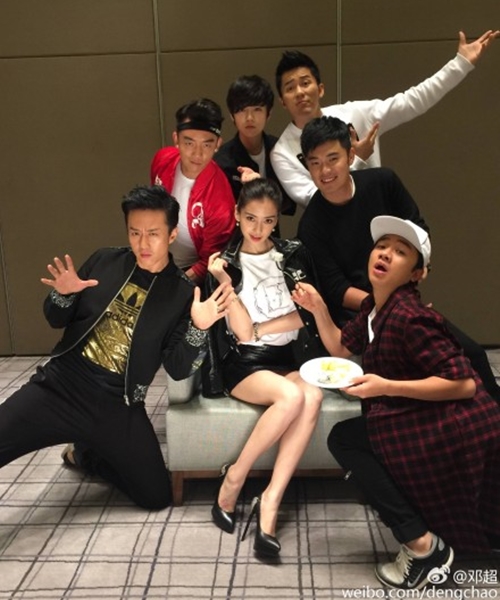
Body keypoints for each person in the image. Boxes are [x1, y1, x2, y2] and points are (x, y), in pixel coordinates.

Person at [292, 216, 500, 589]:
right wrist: (318, 306)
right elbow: (340, 347)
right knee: (350, 437)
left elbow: (464, 384)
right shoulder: (374, 307)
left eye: (401, 252)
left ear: (417, 274)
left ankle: (422, 548)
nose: (386, 254)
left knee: (348, 439)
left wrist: (385, 386)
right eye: (382, 246)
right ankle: (426, 538)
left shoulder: (411, 317)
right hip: (421, 414)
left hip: (455, 424)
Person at [0, 185, 232, 511]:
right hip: (60, 386)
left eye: (153, 233)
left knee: (156, 496)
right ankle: (87, 442)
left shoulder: (181, 294)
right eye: (135, 232)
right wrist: (64, 295)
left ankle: (86, 454)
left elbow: (179, 368)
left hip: (118, 405)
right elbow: (54, 318)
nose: (143, 243)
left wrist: (199, 328)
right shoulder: (104, 261)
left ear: (171, 235)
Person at [297, 115, 500, 401]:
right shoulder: (311, 224)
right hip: (360, 314)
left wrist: (419, 269)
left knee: (472, 353)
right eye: (315, 162)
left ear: (351, 155)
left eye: (333, 159)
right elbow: (336, 289)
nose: (325, 170)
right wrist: (386, 304)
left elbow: (418, 228)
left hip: (402, 301)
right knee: (410, 371)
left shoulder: (383, 182)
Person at [204, 178, 324, 558]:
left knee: (312, 395)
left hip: (285, 358)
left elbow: (306, 316)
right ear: (237, 215)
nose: (259, 229)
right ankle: (235, 477)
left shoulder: (293, 255)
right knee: (291, 396)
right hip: (244, 363)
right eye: (251, 218)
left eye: (269, 220)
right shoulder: (225, 264)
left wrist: (261, 328)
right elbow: (241, 333)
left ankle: (271, 498)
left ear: (276, 221)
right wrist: (225, 282)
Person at [271, 29, 499, 207]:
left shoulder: (355, 114)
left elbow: (412, 101)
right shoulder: (282, 152)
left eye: (305, 83)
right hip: (332, 233)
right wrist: (358, 159)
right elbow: (312, 199)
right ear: (282, 101)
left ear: (320, 89)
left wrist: (459, 65)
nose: (299, 92)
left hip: (379, 215)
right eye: (290, 88)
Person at [150, 98, 236, 283]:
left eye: (207, 144)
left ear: (218, 144)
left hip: (188, 271)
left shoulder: (221, 201)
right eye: (189, 143)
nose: (197, 153)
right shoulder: (162, 160)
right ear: (176, 139)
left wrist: (176, 285)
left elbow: (208, 262)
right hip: (154, 254)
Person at [214, 75, 295, 218]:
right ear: (232, 116)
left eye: (257, 109)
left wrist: (264, 187)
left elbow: (289, 202)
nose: (249, 118)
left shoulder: (280, 148)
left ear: (268, 114)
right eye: (242, 110)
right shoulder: (222, 160)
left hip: (271, 229)